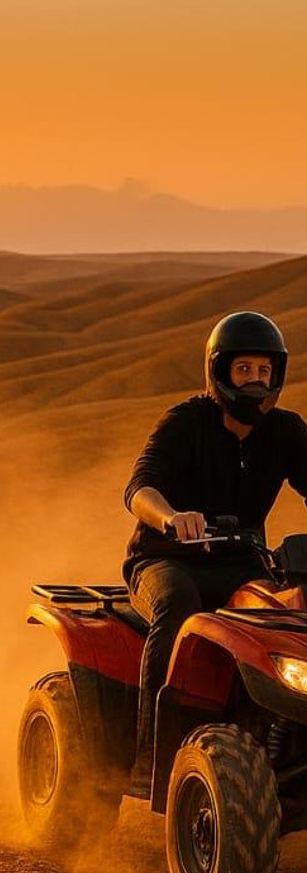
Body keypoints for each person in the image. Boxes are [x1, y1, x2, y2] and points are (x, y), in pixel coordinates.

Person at [123, 310, 307, 796]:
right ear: (220, 371)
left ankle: (273, 739)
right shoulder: (186, 422)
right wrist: (170, 518)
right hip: (165, 559)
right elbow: (140, 488)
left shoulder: (285, 431)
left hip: (241, 561)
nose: (254, 381)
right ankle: (152, 758)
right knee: (178, 606)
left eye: (264, 371)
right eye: (243, 370)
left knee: (286, 613)